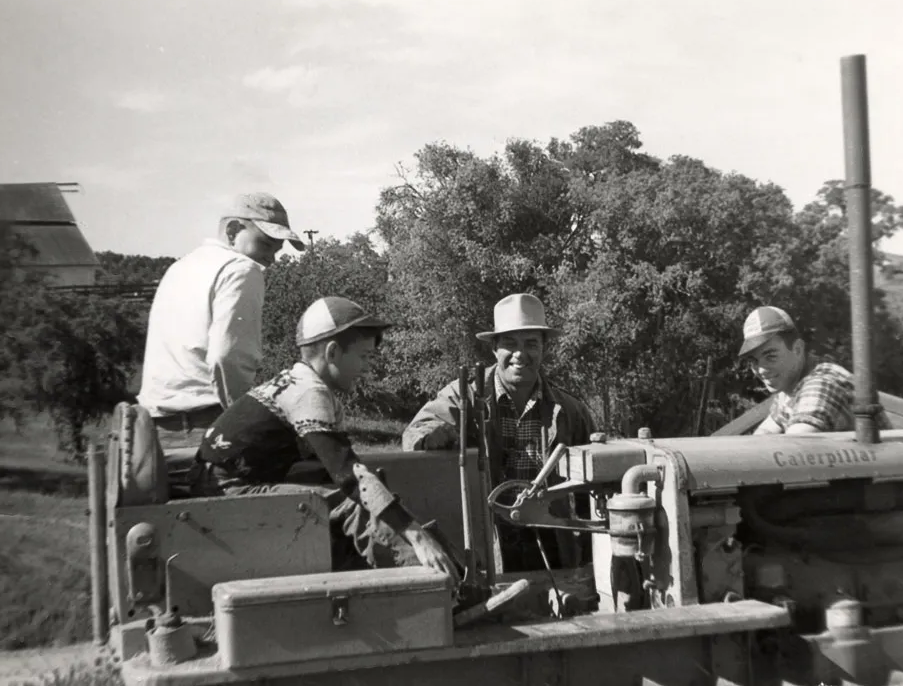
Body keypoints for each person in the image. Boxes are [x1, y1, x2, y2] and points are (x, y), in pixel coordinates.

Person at [196, 296, 459, 581]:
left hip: (230, 481)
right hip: (226, 490)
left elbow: (332, 471)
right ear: (332, 352)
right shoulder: (309, 392)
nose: (368, 368)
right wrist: (417, 536)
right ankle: (436, 583)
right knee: (353, 504)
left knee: (365, 496)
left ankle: (408, 579)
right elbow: (349, 476)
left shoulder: (306, 384)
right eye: (364, 357)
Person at [402, 293, 597, 573]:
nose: (520, 354)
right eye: (509, 343)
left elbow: (593, 488)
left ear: (544, 348)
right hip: (485, 541)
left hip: (551, 538)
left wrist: (591, 556)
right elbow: (415, 434)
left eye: (531, 343)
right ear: (494, 349)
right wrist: (433, 434)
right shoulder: (464, 397)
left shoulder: (569, 411)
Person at [137, 193, 304, 492]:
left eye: (277, 249)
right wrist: (245, 423)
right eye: (265, 244)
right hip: (208, 425)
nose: (272, 258)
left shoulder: (180, 268)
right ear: (232, 231)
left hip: (155, 430)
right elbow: (227, 357)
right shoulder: (242, 269)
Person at [738, 305, 892, 435]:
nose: (761, 370)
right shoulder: (789, 385)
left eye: (770, 356)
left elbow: (791, 450)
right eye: (754, 361)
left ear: (797, 349)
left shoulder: (821, 384)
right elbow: (764, 434)